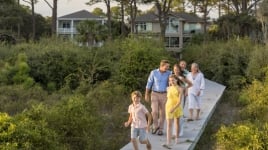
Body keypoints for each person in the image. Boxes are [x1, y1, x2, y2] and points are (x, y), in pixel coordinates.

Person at [145, 60, 171, 136]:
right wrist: (146, 94)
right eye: (166, 66)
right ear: (162, 65)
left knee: (163, 113)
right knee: (154, 111)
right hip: (154, 93)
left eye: (168, 67)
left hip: (164, 94)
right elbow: (149, 83)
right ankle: (155, 126)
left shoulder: (169, 73)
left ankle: (161, 129)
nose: (168, 68)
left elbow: (173, 81)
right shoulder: (154, 72)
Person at [162, 75, 183, 149]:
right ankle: (168, 141)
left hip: (177, 107)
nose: (171, 82)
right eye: (170, 80)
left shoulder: (180, 89)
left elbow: (180, 101)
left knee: (177, 123)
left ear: (176, 80)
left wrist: (174, 108)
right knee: (168, 125)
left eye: (173, 80)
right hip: (168, 107)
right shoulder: (168, 88)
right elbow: (167, 99)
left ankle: (177, 138)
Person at [173, 64, 192, 136]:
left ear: (179, 70)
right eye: (174, 69)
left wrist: (185, 89)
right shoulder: (172, 77)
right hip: (173, 97)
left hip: (181, 97)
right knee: (174, 114)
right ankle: (175, 132)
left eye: (177, 69)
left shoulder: (182, 78)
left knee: (180, 114)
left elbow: (190, 84)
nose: (176, 71)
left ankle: (180, 132)